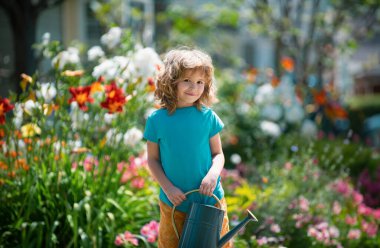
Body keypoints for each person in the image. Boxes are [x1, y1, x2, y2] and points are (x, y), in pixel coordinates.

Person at [143, 47, 231, 248]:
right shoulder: (157, 120)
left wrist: (213, 174)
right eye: (187, 80)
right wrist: (168, 187)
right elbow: (152, 159)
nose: (194, 87)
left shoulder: (208, 117)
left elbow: (218, 154)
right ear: (171, 81)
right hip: (174, 203)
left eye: (200, 82)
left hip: (211, 201)